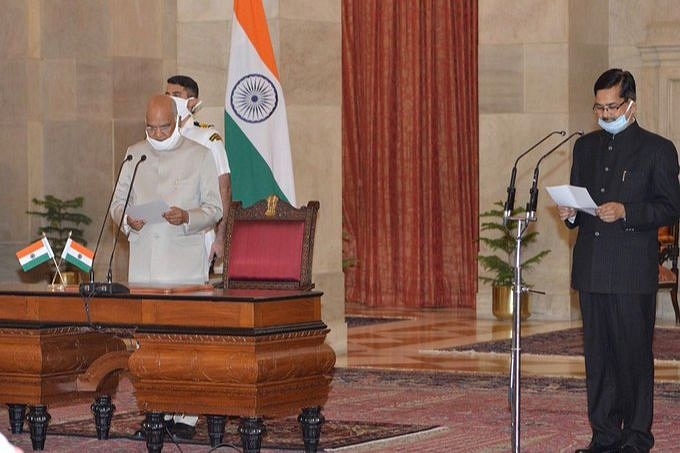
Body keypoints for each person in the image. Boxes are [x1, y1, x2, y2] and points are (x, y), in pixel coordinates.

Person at [558, 69, 680, 453]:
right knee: (599, 359)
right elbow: (580, 198)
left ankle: (636, 438)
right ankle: (605, 436)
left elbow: (670, 207)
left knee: (632, 356)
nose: (606, 115)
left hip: (631, 271)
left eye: (613, 107)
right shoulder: (586, 147)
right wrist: (572, 214)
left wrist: (627, 211)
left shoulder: (658, 149)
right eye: (600, 107)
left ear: (632, 104)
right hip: (592, 268)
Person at [110, 94, 222, 285]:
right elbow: (117, 203)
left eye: (164, 127)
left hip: (184, 268)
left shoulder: (200, 155)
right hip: (142, 267)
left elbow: (215, 209)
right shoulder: (134, 154)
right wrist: (127, 220)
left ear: (177, 121)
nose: (158, 134)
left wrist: (187, 216)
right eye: (151, 128)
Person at [165, 75, 231, 271]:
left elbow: (224, 189)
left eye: (176, 95)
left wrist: (220, 238)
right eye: (166, 94)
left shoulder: (207, 139)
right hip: (164, 236)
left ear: (192, 103)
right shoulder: (159, 138)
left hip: (197, 233)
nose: (169, 99)